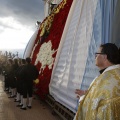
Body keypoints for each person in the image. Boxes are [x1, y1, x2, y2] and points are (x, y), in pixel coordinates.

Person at [74, 43, 120, 120]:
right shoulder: (115, 74)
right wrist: (88, 95)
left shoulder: (104, 81)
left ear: (105, 56)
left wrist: (83, 98)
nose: (95, 57)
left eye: (97, 54)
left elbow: (93, 110)